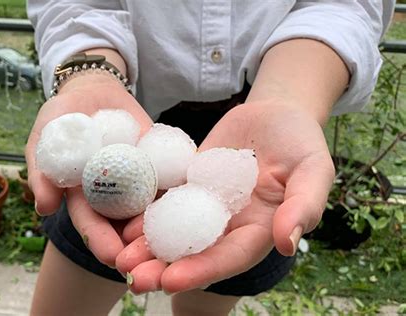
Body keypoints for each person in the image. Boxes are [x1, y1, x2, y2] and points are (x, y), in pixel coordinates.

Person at [25, 1, 394, 315]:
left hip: (262, 140)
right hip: (125, 117)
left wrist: (290, 99)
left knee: (204, 299)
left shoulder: (247, 171)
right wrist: (89, 79)